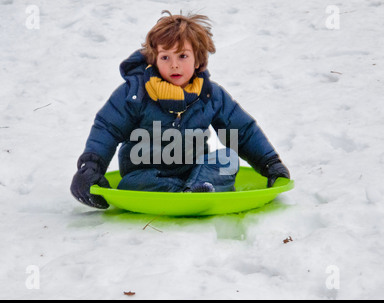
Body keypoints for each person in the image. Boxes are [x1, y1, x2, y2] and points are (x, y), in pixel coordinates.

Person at [71, 11, 290, 209]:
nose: (174, 65)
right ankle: (189, 193)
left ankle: (196, 189)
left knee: (227, 159)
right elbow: (107, 128)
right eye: (165, 57)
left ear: (198, 60)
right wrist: (91, 168)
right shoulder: (135, 93)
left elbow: (242, 130)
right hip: (147, 173)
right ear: (155, 60)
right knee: (130, 183)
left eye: (182, 56)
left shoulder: (210, 95)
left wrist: (270, 163)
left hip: (195, 170)